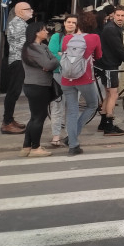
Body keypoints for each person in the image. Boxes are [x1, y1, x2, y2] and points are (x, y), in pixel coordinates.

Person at [61, 12, 102, 156]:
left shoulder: (67, 38)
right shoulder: (95, 37)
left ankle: (73, 144)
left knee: (72, 111)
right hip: (84, 79)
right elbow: (98, 56)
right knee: (92, 105)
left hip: (66, 79)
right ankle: (72, 138)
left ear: (78, 25)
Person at [98, 4, 124, 136]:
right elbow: (119, 48)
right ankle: (109, 126)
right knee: (113, 94)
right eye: (118, 15)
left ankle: (103, 123)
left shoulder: (115, 27)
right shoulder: (111, 29)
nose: (120, 18)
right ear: (113, 15)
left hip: (108, 64)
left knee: (109, 94)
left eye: (122, 16)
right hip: (109, 64)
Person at [20, 22, 59, 157]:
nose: (47, 32)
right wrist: (53, 61)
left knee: (35, 117)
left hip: (34, 85)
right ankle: (35, 147)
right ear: (37, 32)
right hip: (38, 86)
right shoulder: (35, 48)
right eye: (44, 30)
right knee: (39, 118)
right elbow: (50, 63)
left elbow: (51, 62)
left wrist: (51, 61)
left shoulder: (40, 47)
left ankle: (26, 146)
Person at [2, 2, 34, 135]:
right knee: (13, 92)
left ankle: (9, 120)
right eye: (29, 9)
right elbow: (23, 45)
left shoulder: (20, 23)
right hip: (17, 61)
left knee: (14, 92)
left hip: (18, 60)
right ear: (20, 11)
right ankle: (7, 122)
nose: (32, 11)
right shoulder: (18, 23)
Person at [47, 14, 77, 147]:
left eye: (74, 22)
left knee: (72, 107)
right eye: (68, 22)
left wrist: (62, 55)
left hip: (75, 77)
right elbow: (52, 53)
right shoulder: (56, 37)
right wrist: (68, 60)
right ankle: (56, 136)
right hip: (59, 75)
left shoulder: (79, 38)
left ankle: (70, 136)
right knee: (57, 106)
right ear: (64, 23)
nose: (71, 24)